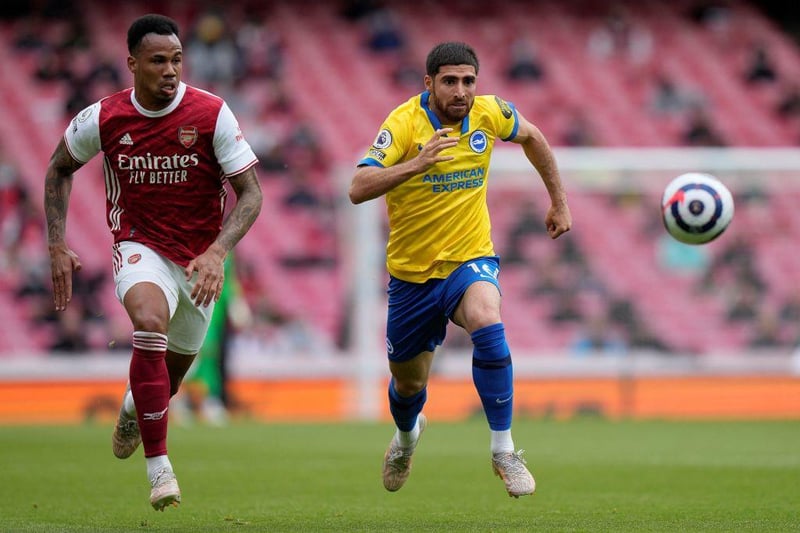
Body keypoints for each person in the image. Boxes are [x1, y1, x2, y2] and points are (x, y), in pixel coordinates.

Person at [43, 14, 263, 511]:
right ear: (133, 64)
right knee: (148, 320)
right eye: (159, 61)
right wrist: (56, 244)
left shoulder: (212, 114)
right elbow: (59, 168)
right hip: (138, 246)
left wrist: (217, 251)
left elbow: (251, 194)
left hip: (198, 263)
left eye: (177, 60)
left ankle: (131, 404)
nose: (170, 70)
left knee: (172, 376)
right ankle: (159, 469)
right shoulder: (103, 117)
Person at [349, 41, 572, 498]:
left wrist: (559, 201)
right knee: (409, 385)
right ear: (428, 83)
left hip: (469, 260)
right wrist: (417, 163)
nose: (461, 91)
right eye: (450, 81)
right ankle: (408, 438)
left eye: (469, 81)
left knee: (488, 318)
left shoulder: (491, 115)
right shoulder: (403, 124)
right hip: (411, 278)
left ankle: (504, 451)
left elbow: (533, 137)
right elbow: (357, 186)